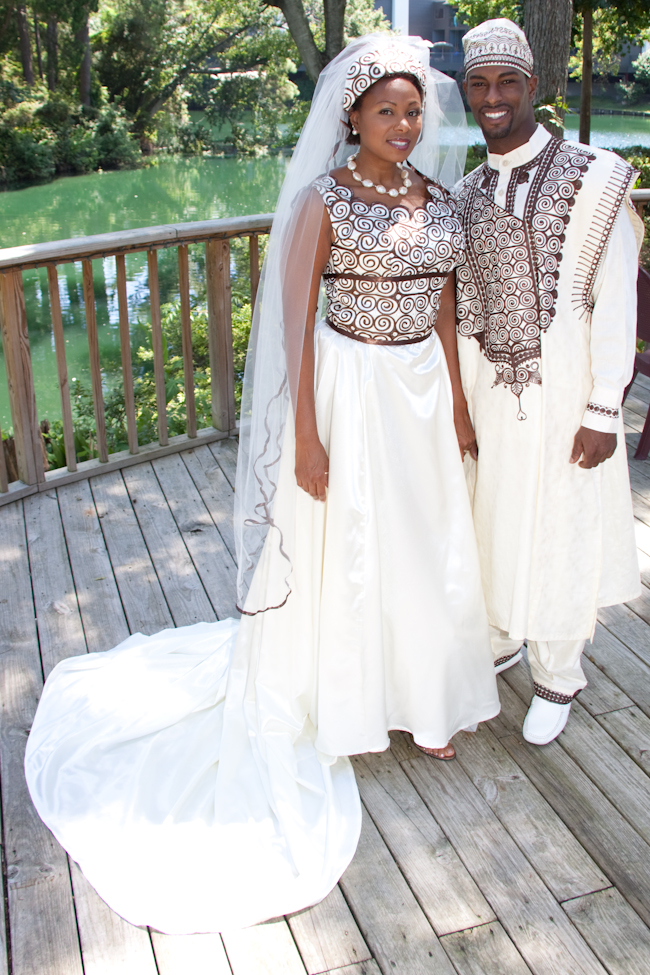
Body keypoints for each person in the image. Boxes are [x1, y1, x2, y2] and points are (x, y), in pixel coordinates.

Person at [24, 35, 499, 936]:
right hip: (351, 388)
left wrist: (461, 405)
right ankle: (350, 696)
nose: (404, 125)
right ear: (352, 117)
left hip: (422, 396)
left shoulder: (437, 200)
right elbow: (293, 320)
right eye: (387, 110)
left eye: (413, 111)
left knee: (426, 543)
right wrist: (307, 435)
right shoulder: (323, 200)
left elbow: (443, 304)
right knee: (350, 545)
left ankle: (428, 696)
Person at [455, 19, 644, 746]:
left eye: (507, 82)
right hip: (491, 393)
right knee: (494, 515)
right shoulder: (466, 192)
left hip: (568, 393)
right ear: (467, 91)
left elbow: (616, 300)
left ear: (533, 85)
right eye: (479, 84)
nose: (493, 97)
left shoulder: (596, 177)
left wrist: (604, 407)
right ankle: (504, 633)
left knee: (563, 523)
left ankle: (559, 672)